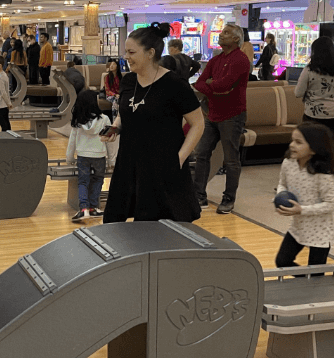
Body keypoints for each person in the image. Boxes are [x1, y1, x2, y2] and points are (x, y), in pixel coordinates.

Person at [102, 23, 203, 223]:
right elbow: (127, 111)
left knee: (155, 227)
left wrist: (180, 159)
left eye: (131, 52)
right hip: (129, 161)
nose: (126, 57)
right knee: (115, 222)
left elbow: (198, 124)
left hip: (162, 165)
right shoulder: (129, 81)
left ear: (150, 53)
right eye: (126, 52)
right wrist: (115, 126)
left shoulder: (174, 84)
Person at [192, 23, 251, 214]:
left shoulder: (241, 60)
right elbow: (200, 83)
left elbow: (223, 84)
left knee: (231, 159)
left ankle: (229, 198)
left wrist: (214, 85)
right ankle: (198, 195)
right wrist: (214, 86)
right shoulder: (215, 60)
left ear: (236, 39)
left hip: (232, 116)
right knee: (202, 153)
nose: (220, 35)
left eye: (226, 33)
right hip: (212, 114)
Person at [274, 123, 334, 268]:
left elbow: (331, 204)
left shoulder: (323, 174)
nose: (292, 145)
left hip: (320, 232)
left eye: (298, 142)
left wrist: (301, 210)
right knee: (282, 262)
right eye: (292, 140)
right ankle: (305, 283)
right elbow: (282, 184)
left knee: (315, 275)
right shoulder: (288, 163)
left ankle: (310, 286)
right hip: (298, 227)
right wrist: (280, 196)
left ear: (314, 149)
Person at [67, 91, 111, 222]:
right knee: (98, 180)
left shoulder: (78, 120)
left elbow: (72, 141)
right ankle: (94, 208)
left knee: (83, 182)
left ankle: (83, 209)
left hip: (83, 155)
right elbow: (109, 141)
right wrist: (112, 159)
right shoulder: (104, 119)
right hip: (99, 155)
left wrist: (69, 157)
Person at [295, 36, 334, 142]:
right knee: (330, 147)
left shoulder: (309, 70)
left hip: (313, 114)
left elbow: (298, 93)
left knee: (312, 147)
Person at [0, 56, 13, 132]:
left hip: (1, 104)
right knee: (6, 122)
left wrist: (8, 103)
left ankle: (6, 139)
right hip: (3, 104)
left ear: (0, 66)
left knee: (3, 124)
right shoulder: (3, 74)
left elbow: (3, 92)